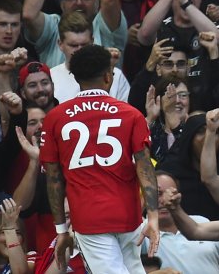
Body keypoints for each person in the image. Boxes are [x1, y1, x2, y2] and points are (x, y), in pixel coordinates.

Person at [41, 44, 160, 273]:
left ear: (76, 79)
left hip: (89, 218)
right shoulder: (131, 114)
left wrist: (61, 230)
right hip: (129, 216)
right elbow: (145, 167)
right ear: (108, 76)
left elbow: (54, 179)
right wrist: (153, 217)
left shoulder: (54, 118)